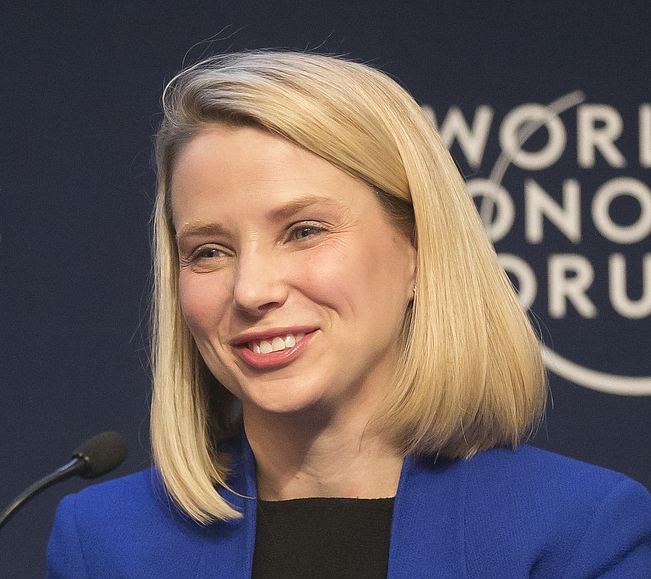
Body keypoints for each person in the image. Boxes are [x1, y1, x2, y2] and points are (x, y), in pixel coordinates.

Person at [47, 51, 651, 577]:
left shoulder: (575, 529)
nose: (252, 289)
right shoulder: (105, 542)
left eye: (304, 231)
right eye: (209, 251)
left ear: (417, 247)